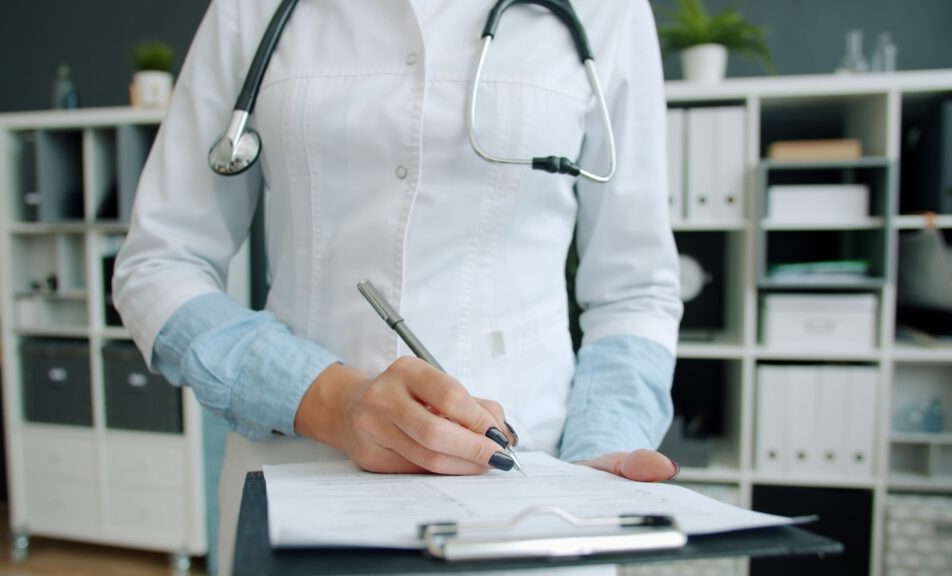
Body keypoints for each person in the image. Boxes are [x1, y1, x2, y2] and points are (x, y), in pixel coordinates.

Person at [113, 1, 682, 574]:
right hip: (304, 486)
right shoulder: (250, 9)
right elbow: (159, 263)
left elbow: (634, 289)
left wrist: (600, 452)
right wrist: (330, 401)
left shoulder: (609, 10)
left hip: (533, 501)